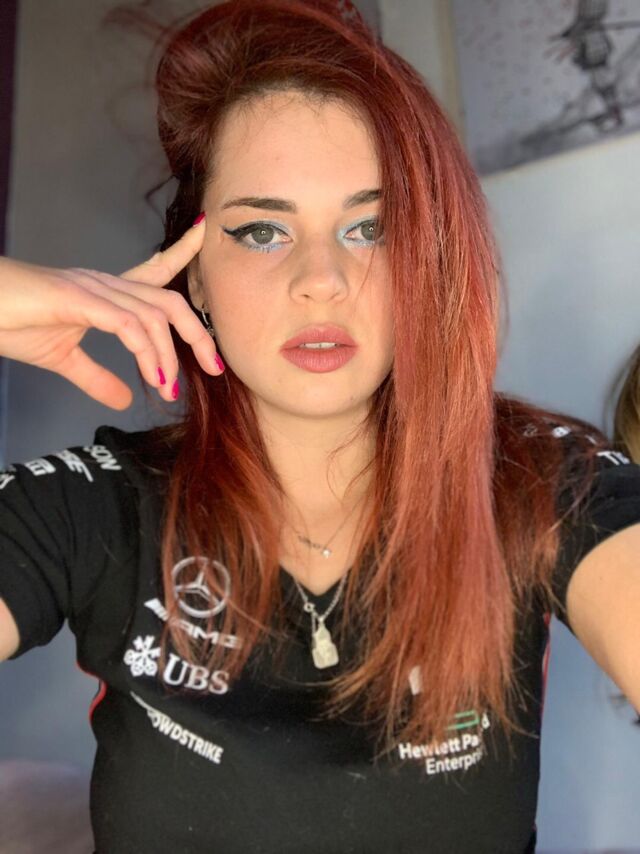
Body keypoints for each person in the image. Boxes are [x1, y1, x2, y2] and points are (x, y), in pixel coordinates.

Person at [0, 1, 639, 851]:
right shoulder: (99, 508)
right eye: (263, 231)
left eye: (371, 227)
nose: (322, 278)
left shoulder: (542, 482)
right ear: (196, 280)